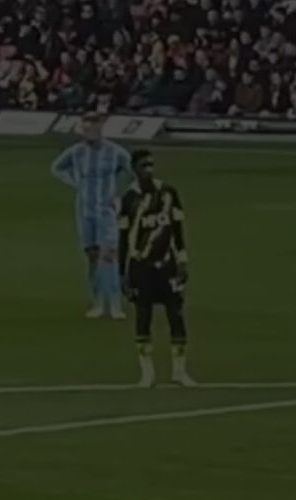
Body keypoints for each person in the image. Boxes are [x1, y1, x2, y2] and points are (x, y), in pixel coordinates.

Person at [118, 149, 196, 387]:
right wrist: (123, 272)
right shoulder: (128, 200)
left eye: (151, 165)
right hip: (142, 267)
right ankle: (147, 373)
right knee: (143, 317)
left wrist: (183, 259)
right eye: (143, 166)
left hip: (168, 266)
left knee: (176, 315)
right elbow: (123, 238)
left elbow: (178, 230)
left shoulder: (168, 193)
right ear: (134, 169)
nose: (149, 170)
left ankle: (179, 371)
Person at [50, 112, 133, 319]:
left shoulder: (115, 152)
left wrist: (121, 195)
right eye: (86, 128)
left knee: (109, 255)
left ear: (101, 128)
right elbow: (56, 168)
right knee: (92, 256)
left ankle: (114, 305)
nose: (90, 132)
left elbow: (131, 171)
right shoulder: (76, 152)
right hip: (84, 210)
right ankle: (97, 302)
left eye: (94, 128)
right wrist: (75, 183)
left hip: (106, 210)